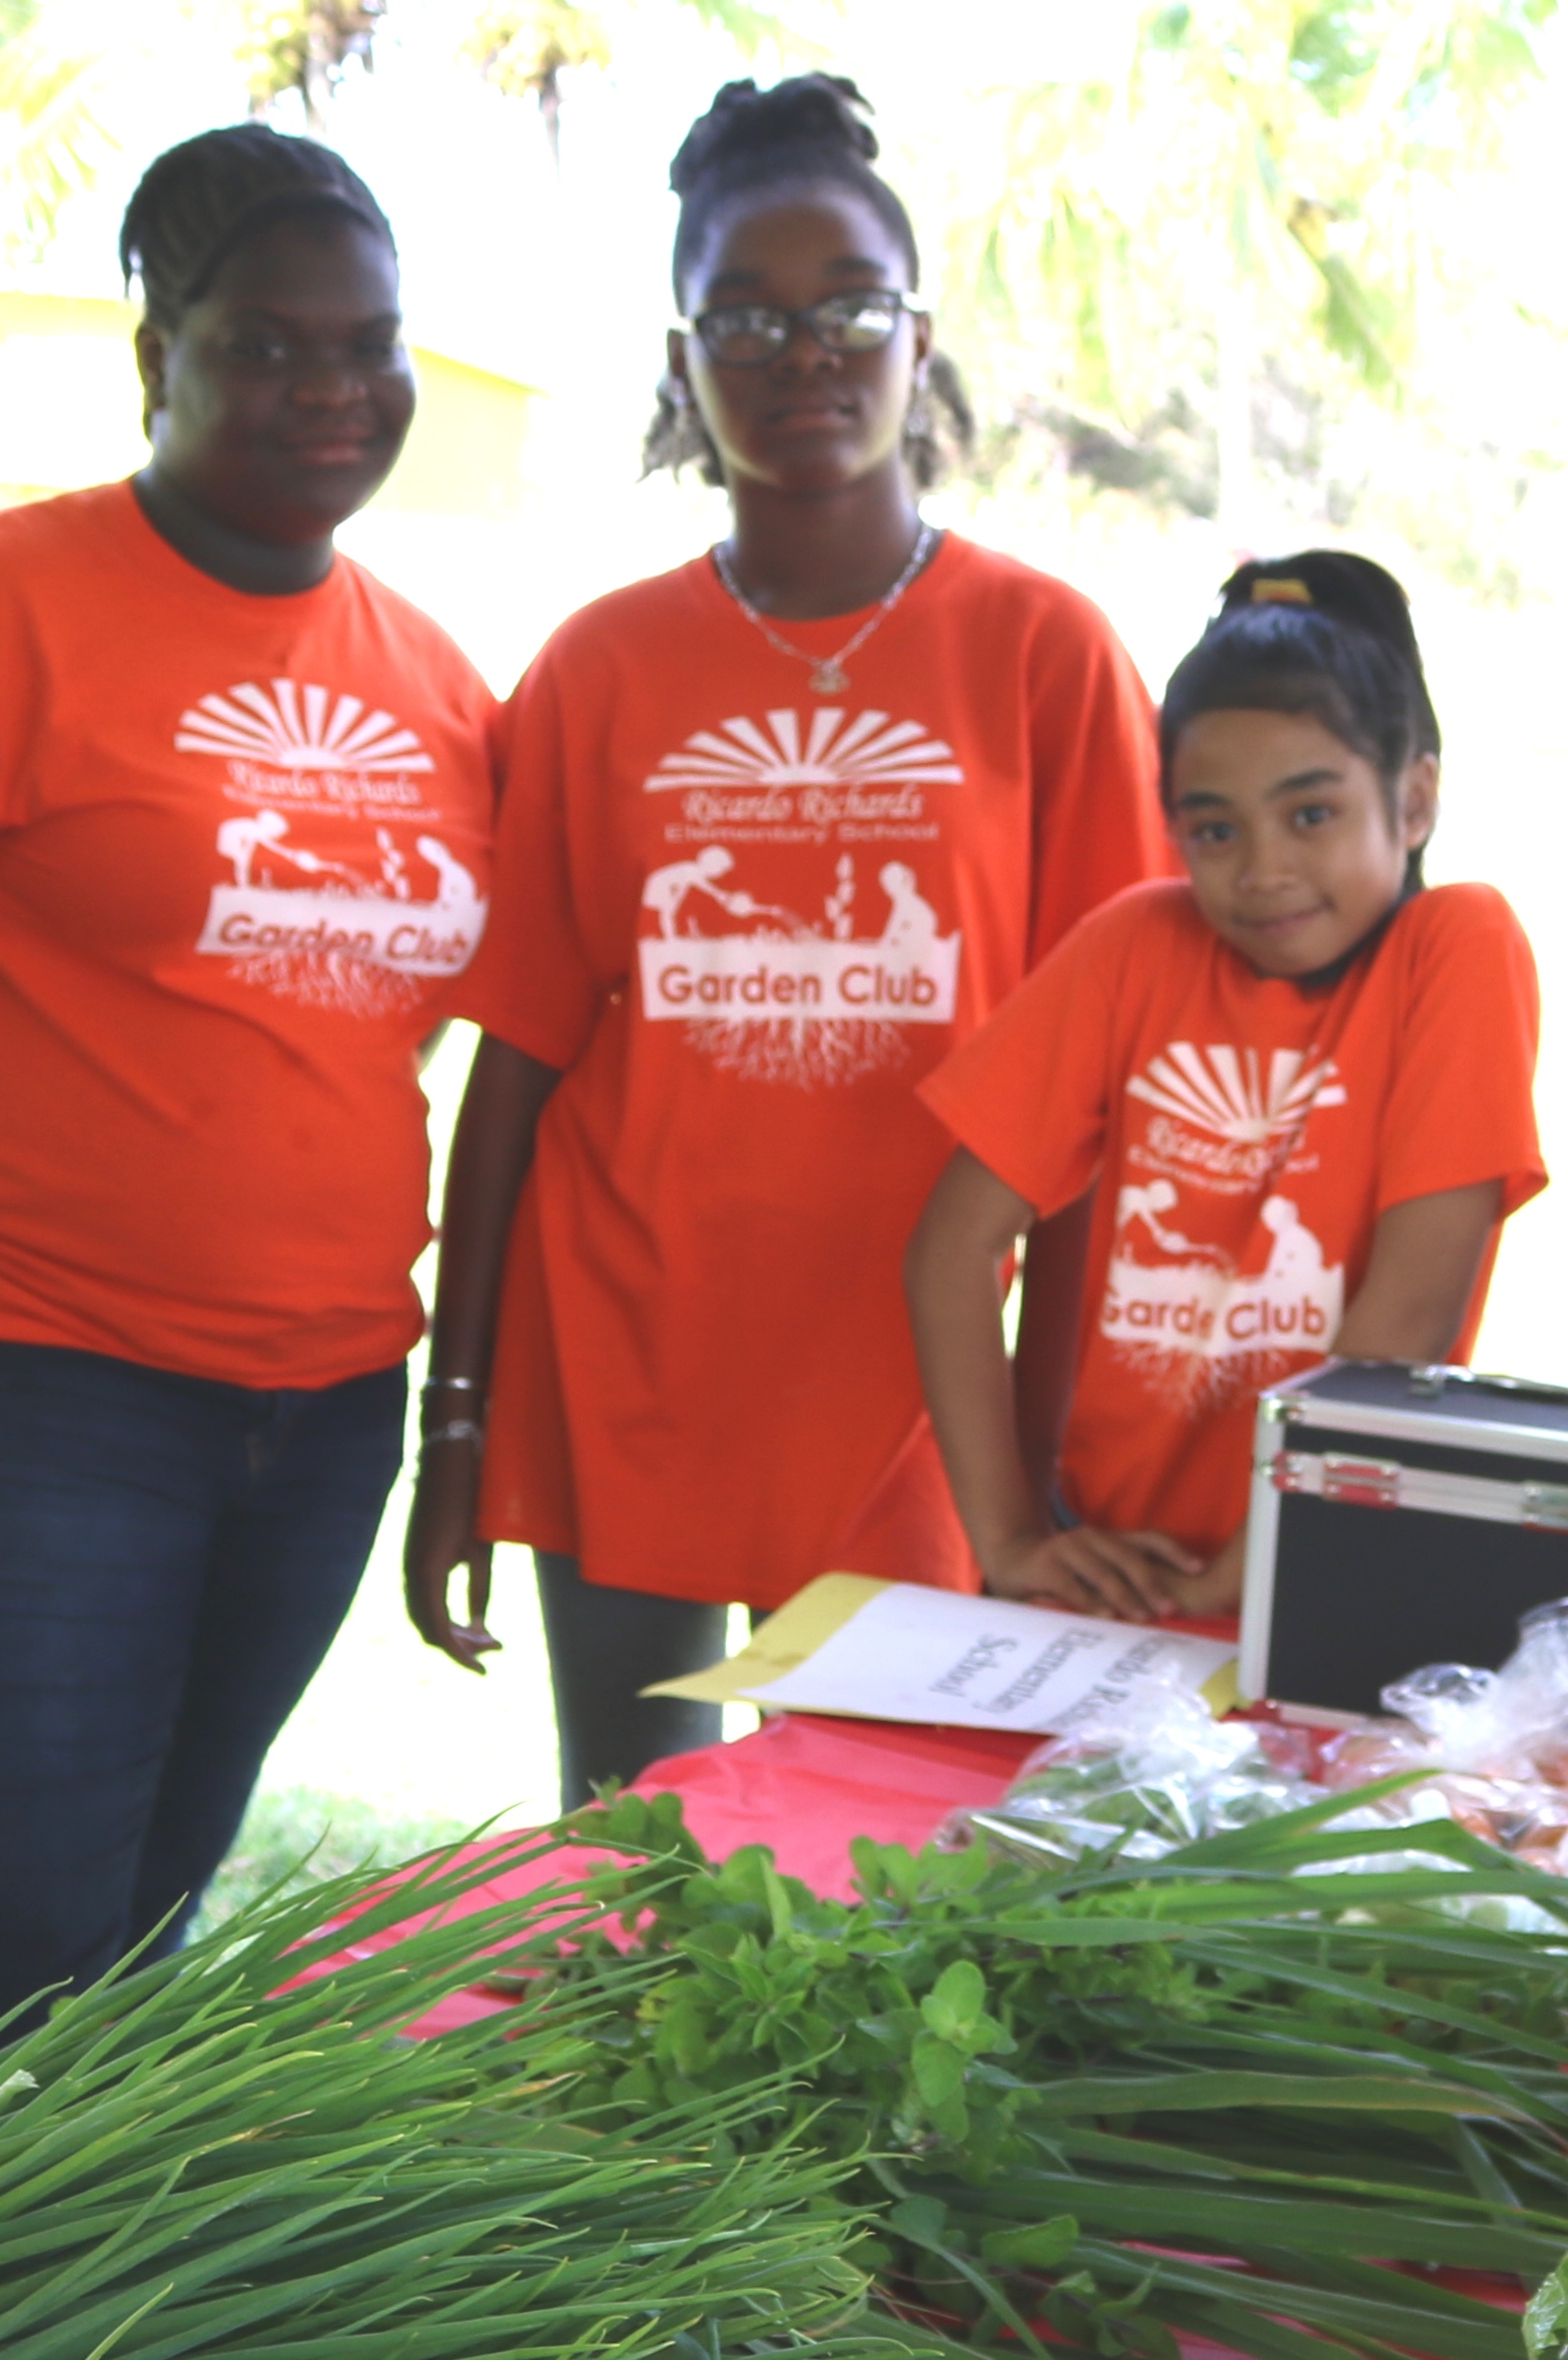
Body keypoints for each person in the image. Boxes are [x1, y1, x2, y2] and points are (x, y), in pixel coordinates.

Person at [0, 127, 495, 2069]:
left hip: (316, 1414)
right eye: (265, 340)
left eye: (370, 342)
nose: (330, 387)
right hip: (18, 1394)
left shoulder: (433, 679)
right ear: (156, 354)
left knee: (143, 1926)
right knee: (10, 1951)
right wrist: (4, 1158)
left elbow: (390, 1026)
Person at [398, 73, 1169, 1799]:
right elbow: (515, 1068)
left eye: (848, 311)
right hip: (627, 1361)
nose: (802, 353)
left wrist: (1049, 1457)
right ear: (682, 363)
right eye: (743, 318)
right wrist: (456, 1430)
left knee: (878, 1864)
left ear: (918, 338)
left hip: (917, 1398)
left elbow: (1106, 1113)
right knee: (627, 1858)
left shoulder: (1045, 656)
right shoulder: (600, 668)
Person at [901, 552, 1544, 1622]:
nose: (1261, 870)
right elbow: (949, 1248)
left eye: (1310, 814)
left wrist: (1244, 1569)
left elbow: (1412, 1312)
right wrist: (1010, 1536)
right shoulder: (1134, 944)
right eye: (1213, 829)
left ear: (1414, 797)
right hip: (1119, 1576)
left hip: (1332, 1571)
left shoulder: (1457, 945)